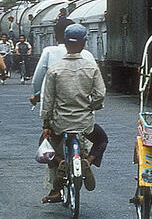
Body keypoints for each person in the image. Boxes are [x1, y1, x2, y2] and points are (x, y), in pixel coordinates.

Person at [40, 24, 106, 203]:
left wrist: (46, 125)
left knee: (44, 144)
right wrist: (92, 107)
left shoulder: (54, 69)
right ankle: (88, 162)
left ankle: (61, 161)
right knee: (102, 139)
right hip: (85, 123)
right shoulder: (91, 67)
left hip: (60, 123)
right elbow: (100, 94)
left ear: (64, 42)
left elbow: (48, 101)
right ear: (84, 43)